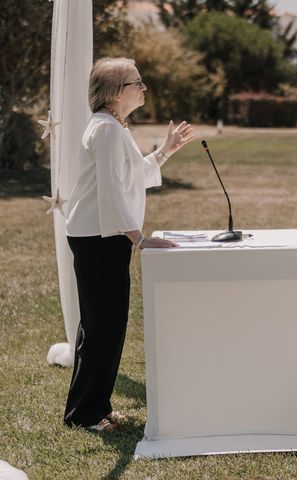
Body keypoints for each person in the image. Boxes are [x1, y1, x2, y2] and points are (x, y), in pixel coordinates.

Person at [64, 57, 194, 431]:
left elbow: (130, 176)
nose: (143, 88)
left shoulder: (113, 126)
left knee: (106, 324)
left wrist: (166, 150)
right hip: (99, 238)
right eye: (137, 83)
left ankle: (94, 407)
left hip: (104, 236)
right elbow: (110, 191)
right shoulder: (105, 130)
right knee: (103, 325)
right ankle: (86, 414)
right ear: (116, 92)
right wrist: (139, 239)